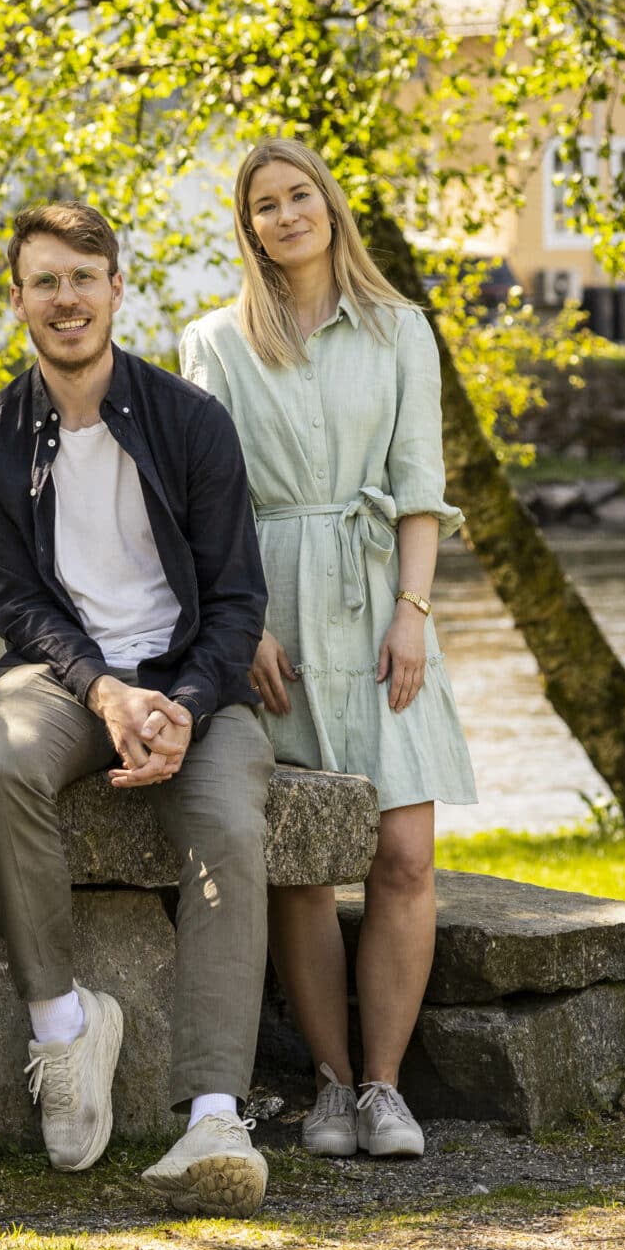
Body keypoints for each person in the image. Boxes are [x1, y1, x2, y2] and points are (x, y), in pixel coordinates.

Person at [0, 201, 275, 1217]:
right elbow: (17, 606)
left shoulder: (190, 421)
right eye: (43, 282)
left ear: (116, 289)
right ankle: (60, 1028)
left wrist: (177, 702)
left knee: (225, 823)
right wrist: (102, 689)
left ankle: (215, 1114)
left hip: (192, 686)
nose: (65, 300)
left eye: (83, 278)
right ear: (17, 300)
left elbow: (236, 601)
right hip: (66, 681)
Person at [180, 137, 477, 1162]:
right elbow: (201, 503)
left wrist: (414, 611)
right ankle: (329, 1084)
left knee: (402, 852)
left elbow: (420, 484)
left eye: (297, 194)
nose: (283, 215)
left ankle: (387, 1089)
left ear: (328, 204)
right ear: (247, 224)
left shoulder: (400, 330)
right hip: (274, 614)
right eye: (262, 204)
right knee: (301, 864)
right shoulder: (215, 342)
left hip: (377, 604)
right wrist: (242, 620)